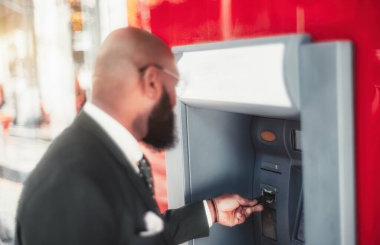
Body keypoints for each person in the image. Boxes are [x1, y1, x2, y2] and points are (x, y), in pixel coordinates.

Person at [15, 27, 263, 245]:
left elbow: (131, 233)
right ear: (152, 81)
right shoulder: (71, 183)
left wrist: (211, 212)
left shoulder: (95, 153)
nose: (175, 100)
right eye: (174, 85)